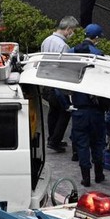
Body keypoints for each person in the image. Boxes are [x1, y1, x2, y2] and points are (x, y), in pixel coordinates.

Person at [41, 16, 79, 152]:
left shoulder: (47, 40)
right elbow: (65, 67)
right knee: (64, 112)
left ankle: (51, 138)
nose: (72, 33)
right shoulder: (63, 46)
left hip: (46, 81)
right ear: (68, 29)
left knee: (53, 111)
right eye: (72, 31)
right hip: (58, 83)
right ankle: (55, 141)